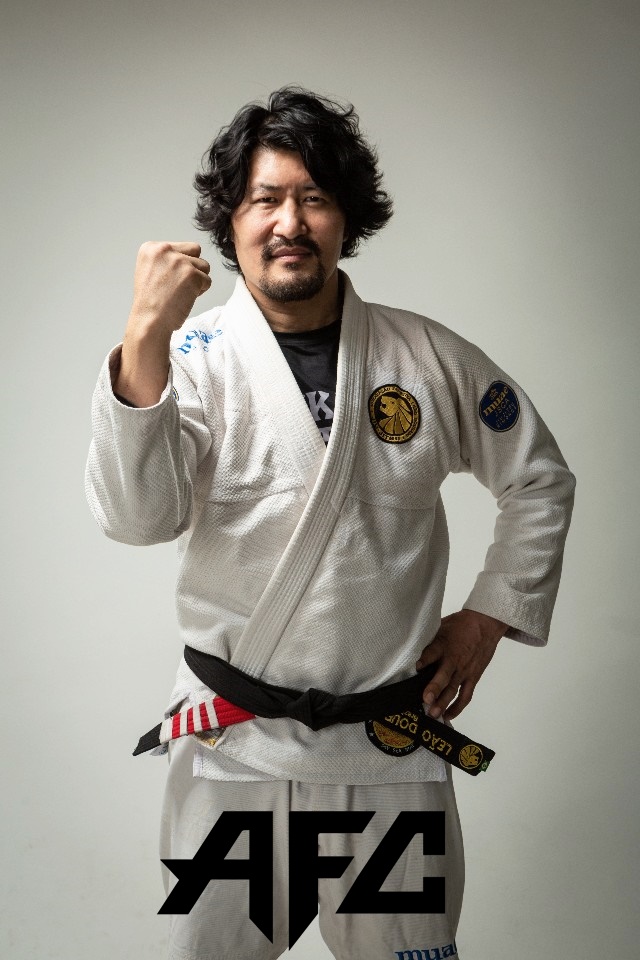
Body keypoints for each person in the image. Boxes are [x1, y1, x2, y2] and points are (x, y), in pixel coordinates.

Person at [86, 86, 575, 960]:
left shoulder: (426, 357)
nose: (290, 222)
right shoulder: (191, 361)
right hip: (236, 756)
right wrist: (145, 334)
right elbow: (137, 517)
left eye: (313, 197)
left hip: (388, 757)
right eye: (265, 199)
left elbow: (539, 478)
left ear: (347, 217)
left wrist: (489, 615)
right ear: (231, 221)